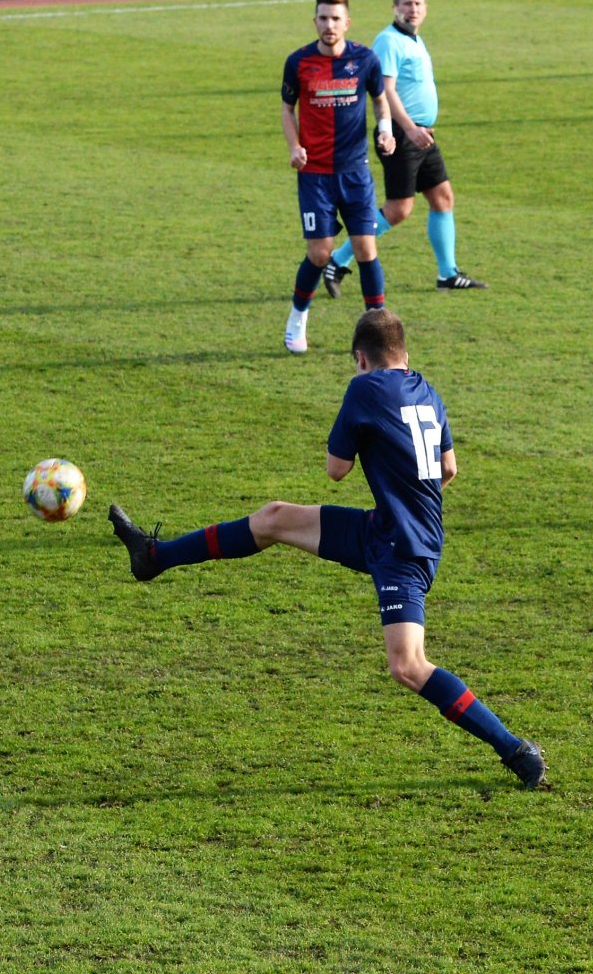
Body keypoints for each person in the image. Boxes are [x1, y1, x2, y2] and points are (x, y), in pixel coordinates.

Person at [106, 309, 547, 790]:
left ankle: (515, 750)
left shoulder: (364, 388)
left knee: (407, 666)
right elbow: (449, 469)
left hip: (403, 549)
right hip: (387, 530)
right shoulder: (427, 389)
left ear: (361, 358)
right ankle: (154, 556)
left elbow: (336, 469)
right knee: (274, 518)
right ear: (404, 353)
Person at [281, 0, 432, 355]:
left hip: (355, 172)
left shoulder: (364, 59)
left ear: (347, 22)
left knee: (366, 247)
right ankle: (297, 318)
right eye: (323, 18)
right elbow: (287, 109)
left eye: (335, 18)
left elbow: (380, 101)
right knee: (320, 254)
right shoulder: (298, 62)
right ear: (314, 21)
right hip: (315, 174)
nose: (329, 25)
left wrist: (384, 130)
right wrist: (294, 148)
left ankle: (377, 330)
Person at [323, 0, 486, 294]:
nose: (413, 10)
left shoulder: (413, 39)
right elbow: (385, 90)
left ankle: (447, 274)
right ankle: (338, 259)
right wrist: (410, 128)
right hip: (401, 134)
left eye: (418, 5)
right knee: (399, 210)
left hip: (421, 134)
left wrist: (419, 127)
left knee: (442, 197)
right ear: (395, 8)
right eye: (407, 4)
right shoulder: (389, 41)